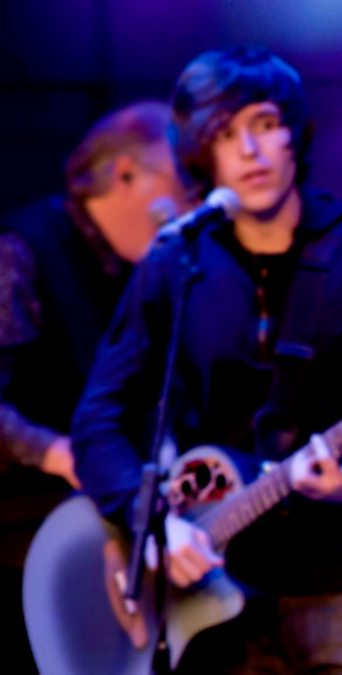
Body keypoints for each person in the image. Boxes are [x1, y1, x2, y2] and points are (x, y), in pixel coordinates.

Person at [72, 47, 342, 674]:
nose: (249, 150)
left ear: (294, 133)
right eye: (225, 134)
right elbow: (99, 423)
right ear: (202, 154)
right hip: (214, 597)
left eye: (265, 124)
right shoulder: (175, 264)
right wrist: (156, 523)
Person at [0, 100, 185, 674]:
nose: (191, 204)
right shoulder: (23, 252)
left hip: (104, 540)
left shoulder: (148, 270)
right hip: (22, 540)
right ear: (125, 174)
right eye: (183, 182)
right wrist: (59, 453)